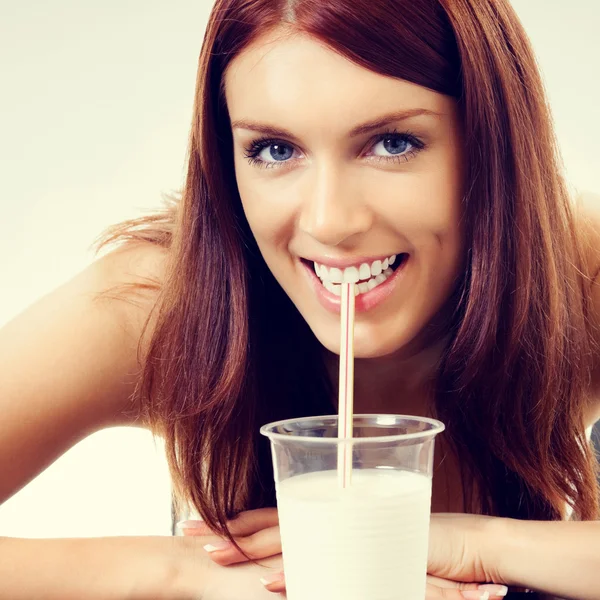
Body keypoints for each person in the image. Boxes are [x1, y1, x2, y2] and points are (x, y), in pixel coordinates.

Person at [1, 0, 599, 598]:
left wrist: (475, 546)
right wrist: (183, 574)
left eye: (392, 143)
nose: (330, 221)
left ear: (492, 144)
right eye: (276, 151)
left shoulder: (581, 280)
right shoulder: (161, 305)